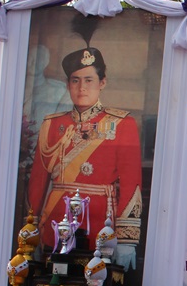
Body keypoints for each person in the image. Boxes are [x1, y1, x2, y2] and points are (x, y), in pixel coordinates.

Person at [27, 45, 142, 270]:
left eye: (89, 80)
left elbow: (131, 183)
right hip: (54, 223)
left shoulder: (122, 123)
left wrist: (127, 238)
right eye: (75, 80)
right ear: (68, 84)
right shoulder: (52, 124)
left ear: (102, 83)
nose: (81, 87)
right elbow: (38, 182)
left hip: (101, 227)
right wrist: (31, 230)